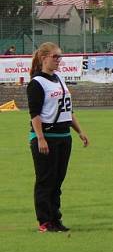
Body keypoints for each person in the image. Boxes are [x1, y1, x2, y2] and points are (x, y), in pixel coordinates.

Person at [27, 42, 90, 233]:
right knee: (45, 180)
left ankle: (55, 219)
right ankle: (44, 222)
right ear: (44, 58)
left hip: (64, 137)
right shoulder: (37, 83)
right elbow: (34, 114)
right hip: (47, 137)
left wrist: (79, 131)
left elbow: (68, 110)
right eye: (55, 56)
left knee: (57, 181)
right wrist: (40, 138)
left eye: (60, 57)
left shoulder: (59, 79)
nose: (58, 60)